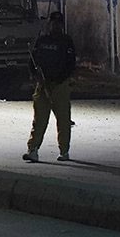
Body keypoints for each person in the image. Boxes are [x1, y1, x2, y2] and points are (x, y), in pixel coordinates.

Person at [23, 11, 76, 163]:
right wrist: (35, 75)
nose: (55, 26)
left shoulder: (66, 41)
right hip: (42, 85)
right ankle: (33, 149)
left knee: (63, 119)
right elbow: (32, 62)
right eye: (53, 22)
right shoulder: (42, 41)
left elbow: (70, 64)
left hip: (59, 85)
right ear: (49, 24)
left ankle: (64, 151)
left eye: (58, 23)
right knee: (39, 119)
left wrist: (59, 79)